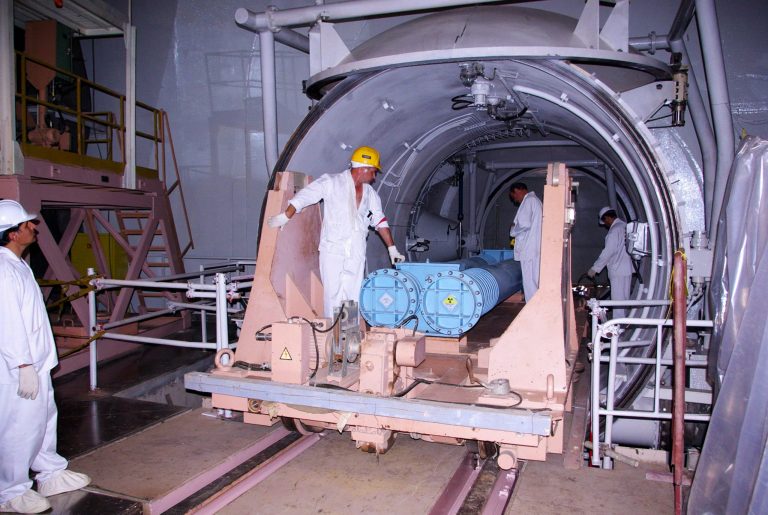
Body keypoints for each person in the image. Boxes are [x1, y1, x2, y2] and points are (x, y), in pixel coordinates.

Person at [0, 200, 91, 514]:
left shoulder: (17, 263)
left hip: (36, 361)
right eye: (27, 225)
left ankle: (49, 472)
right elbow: (7, 321)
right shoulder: (3, 270)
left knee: (43, 418)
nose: (34, 227)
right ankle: (10, 490)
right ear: (12, 234)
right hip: (19, 365)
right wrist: (22, 364)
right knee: (19, 425)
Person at [268, 146, 405, 319]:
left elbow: (380, 221)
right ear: (364, 168)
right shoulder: (331, 182)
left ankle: (347, 341)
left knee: (352, 297)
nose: (375, 176)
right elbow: (305, 196)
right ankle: (334, 340)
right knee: (333, 296)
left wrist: (392, 249)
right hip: (333, 250)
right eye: (374, 172)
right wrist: (285, 216)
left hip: (356, 251)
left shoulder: (370, 194)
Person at [587, 207, 633, 318]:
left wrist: (595, 268)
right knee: (624, 301)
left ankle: (617, 328)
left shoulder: (614, 231)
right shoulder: (625, 226)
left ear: (607, 218)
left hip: (617, 270)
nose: (605, 224)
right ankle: (623, 325)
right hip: (627, 269)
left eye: (605, 221)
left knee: (617, 303)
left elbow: (608, 252)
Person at [509, 182, 542, 302]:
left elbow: (524, 224)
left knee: (530, 283)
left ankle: (532, 310)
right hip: (534, 249)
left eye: (514, 196)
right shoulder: (535, 201)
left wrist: (513, 229)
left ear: (517, 190)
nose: (515, 200)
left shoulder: (528, 201)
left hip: (529, 250)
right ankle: (536, 308)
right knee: (534, 281)